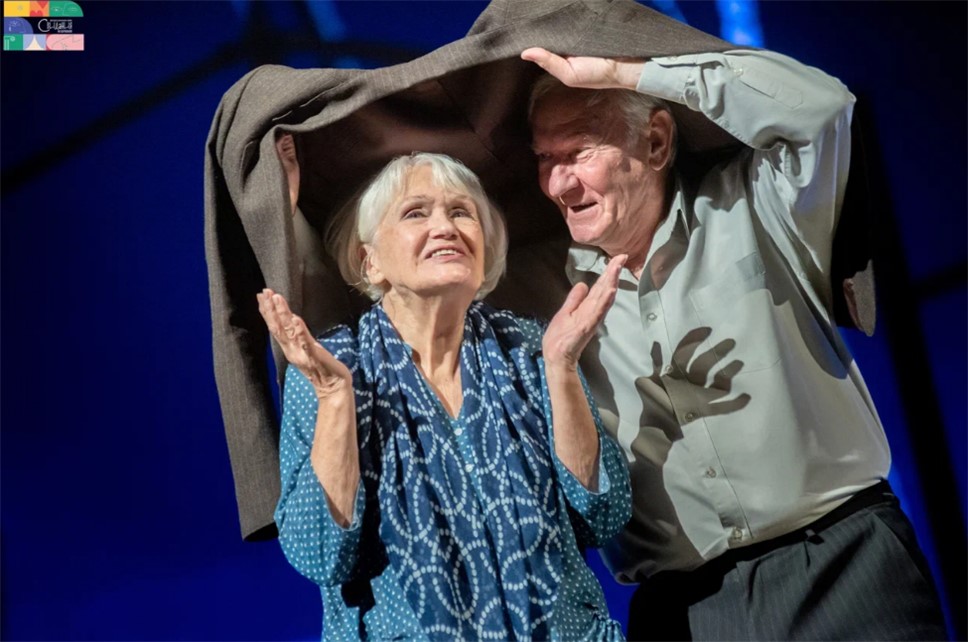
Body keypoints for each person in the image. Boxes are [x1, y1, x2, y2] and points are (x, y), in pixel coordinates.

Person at [522, 45, 948, 641]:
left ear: (655, 142)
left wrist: (628, 73)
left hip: (843, 565)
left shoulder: (754, 204)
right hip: (682, 613)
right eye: (545, 158)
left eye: (580, 152)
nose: (559, 183)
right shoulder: (534, 288)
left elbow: (823, 109)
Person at [259, 152, 632, 641]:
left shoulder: (530, 349)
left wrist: (561, 366)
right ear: (370, 261)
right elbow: (321, 555)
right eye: (416, 213)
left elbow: (603, 517)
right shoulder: (334, 369)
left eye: (461, 212)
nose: (445, 228)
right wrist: (333, 398)